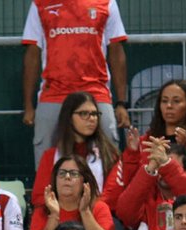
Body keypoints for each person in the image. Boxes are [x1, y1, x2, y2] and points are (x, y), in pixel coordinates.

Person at [21, 0, 129, 163]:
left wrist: (121, 103)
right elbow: (32, 53)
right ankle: (47, 189)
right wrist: (28, 106)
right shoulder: (40, 4)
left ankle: (107, 189)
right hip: (53, 93)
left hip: (96, 91)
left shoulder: (106, 2)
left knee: (110, 154)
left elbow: (116, 51)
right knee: (45, 156)